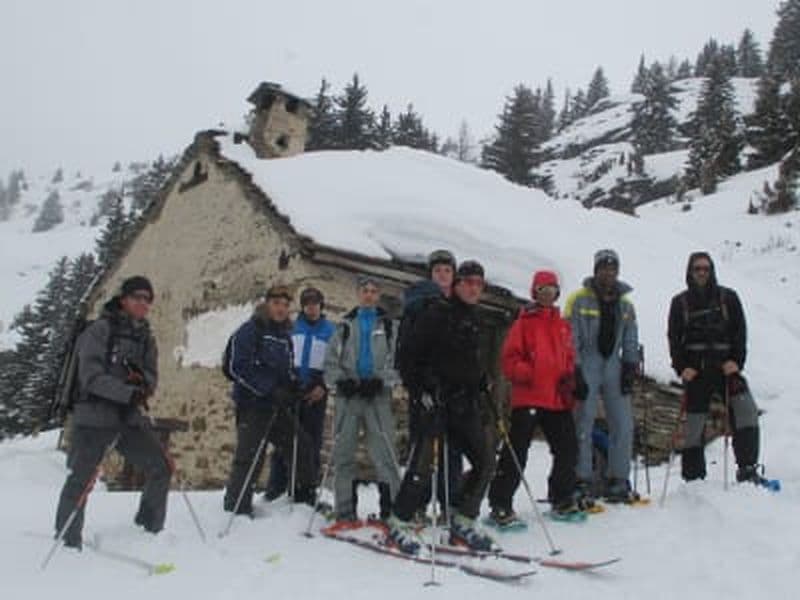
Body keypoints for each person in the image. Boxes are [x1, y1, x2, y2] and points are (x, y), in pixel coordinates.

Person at [386, 260, 497, 554]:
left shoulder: (473, 319)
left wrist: (481, 380)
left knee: (486, 461)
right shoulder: (435, 314)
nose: (475, 289)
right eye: (469, 282)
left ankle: (463, 519)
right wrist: (423, 391)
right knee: (423, 467)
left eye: (479, 284)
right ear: (457, 285)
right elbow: (408, 360)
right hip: (434, 403)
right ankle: (399, 521)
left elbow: (468, 364)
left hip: (463, 404)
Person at [54, 276, 171, 549]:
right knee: (82, 478)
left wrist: (142, 387)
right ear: (123, 299)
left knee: (161, 466)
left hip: (128, 417)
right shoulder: (99, 331)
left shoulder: (146, 338)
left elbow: (152, 376)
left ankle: (148, 529)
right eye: (137, 297)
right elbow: (90, 377)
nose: (143, 303)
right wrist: (126, 391)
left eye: (147, 299)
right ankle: (67, 541)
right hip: (94, 415)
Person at [488, 270, 584, 525]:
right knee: (516, 452)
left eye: (551, 289)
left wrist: (571, 378)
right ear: (534, 292)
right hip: (529, 397)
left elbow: (569, 357)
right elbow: (509, 359)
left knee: (568, 448)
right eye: (542, 289)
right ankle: (500, 503)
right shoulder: (524, 322)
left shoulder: (562, 324)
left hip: (556, 399)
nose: (547, 294)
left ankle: (562, 497)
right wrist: (529, 372)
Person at [667, 252, 762, 484]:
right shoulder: (680, 303)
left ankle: (747, 468)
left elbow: (740, 332)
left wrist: (737, 362)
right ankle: (693, 478)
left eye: (706, 269)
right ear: (690, 272)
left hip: (726, 369)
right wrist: (681, 367)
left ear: (712, 271)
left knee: (746, 412)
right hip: (697, 370)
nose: (701, 273)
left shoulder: (728, 298)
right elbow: (674, 337)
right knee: (694, 426)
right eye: (697, 269)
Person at [223, 284, 316, 516]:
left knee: (300, 445)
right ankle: (237, 506)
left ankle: (303, 499)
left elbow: (287, 369)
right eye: (276, 304)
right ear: (267, 304)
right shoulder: (251, 330)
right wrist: (269, 388)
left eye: (286, 305)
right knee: (251, 456)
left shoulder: (285, 335)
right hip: (252, 405)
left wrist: (295, 385)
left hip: (276, 406)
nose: (281, 309)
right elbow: (236, 366)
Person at [324, 276, 401, 525]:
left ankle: (391, 510)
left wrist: (382, 380)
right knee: (343, 451)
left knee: (384, 452)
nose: (369, 294)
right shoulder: (345, 326)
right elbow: (330, 362)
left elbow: (397, 362)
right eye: (364, 290)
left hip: (377, 396)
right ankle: (345, 510)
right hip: (349, 396)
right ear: (358, 294)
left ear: (379, 295)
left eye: (373, 291)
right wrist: (341, 381)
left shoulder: (389, 327)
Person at [565, 249, 639, 504]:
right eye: (603, 267)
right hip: (588, 361)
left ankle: (618, 478)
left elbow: (630, 337)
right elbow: (570, 336)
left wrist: (630, 366)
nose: (608, 272)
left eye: (612, 268)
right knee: (583, 420)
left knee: (623, 423)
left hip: (613, 365)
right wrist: (574, 369)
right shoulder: (579, 300)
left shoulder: (626, 305)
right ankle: (581, 478)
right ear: (595, 270)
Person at [396, 249, 462, 519]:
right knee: (421, 449)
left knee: (452, 450)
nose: (442, 276)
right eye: (437, 271)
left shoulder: (460, 307)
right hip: (424, 390)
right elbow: (407, 351)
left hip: (452, 392)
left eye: (447, 271)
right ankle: (416, 506)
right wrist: (419, 385)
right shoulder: (417, 305)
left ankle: (450, 505)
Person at [264, 287, 335, 501]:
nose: (311, 308)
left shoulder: (331, 331)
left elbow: (335, 362)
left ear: (321, 305)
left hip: (316, 389)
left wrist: (324, 385)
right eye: (307, 304)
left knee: (311, 442)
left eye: (315, 304)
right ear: (302, 307)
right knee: (285, 440)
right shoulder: (292, 328)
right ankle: (276, 488)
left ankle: (306, 490)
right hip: (292, 388)